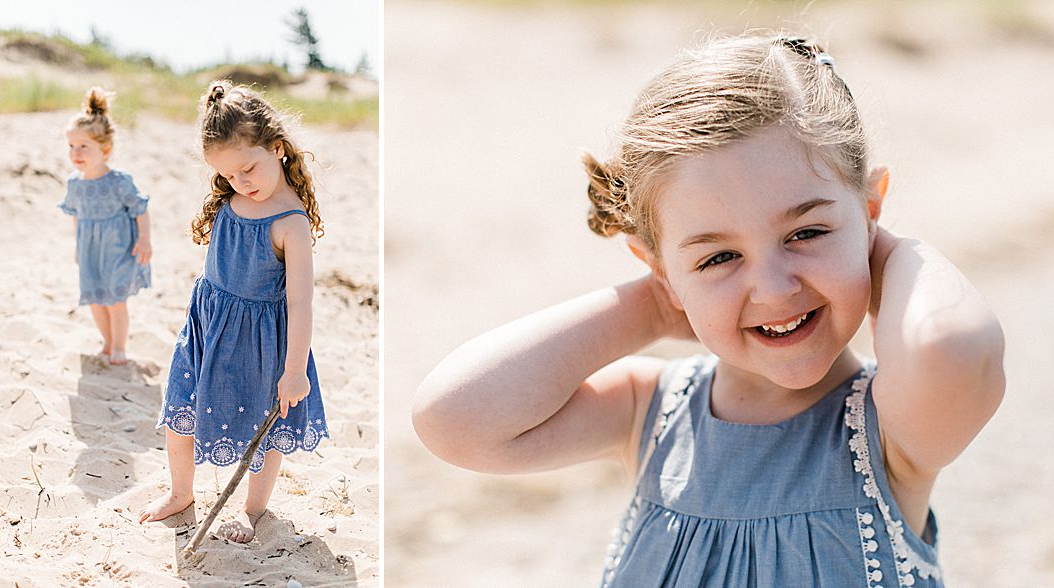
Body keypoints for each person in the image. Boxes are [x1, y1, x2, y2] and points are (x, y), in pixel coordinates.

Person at [414, 34, 1006, 586]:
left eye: (807, 232)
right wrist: (651, 307)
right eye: (720, 256)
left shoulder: (890, 431)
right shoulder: (650, 410)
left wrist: (887, 254)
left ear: (871, 212)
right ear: (661, 269)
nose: (773, 290)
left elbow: (949, 347)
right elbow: (454, 420)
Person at [138, 81, 329, 544]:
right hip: (209, 325)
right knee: (180, 409)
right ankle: (181, 491)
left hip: (261, 341)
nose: (241, 183)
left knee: (261, 430)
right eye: (229, 177)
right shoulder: (232, 199)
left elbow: (300, 303)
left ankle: (252, 510)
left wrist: (294, 370)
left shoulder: (291, 223)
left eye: (248, 169)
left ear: (277, 149)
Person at [59, 87, 152, 366]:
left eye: (84, 147)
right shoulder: (75, 183)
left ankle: (120, 346)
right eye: (72, 147)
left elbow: (140, 209)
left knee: (115, 300)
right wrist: (78, 245)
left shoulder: (119, 181)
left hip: (118, 248)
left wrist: (145, 239)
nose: (76, 153)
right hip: (90, 249)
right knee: (95, 299)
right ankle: (108, 342)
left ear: (106, 150)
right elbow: (77, 215)